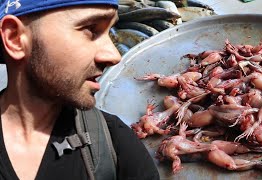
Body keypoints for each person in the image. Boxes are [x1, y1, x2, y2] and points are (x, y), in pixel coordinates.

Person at [0, 0, 160, 179]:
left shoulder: (113, 143)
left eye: (109, 32)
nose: (114, 56)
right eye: (91, 29)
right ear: (15, 38)